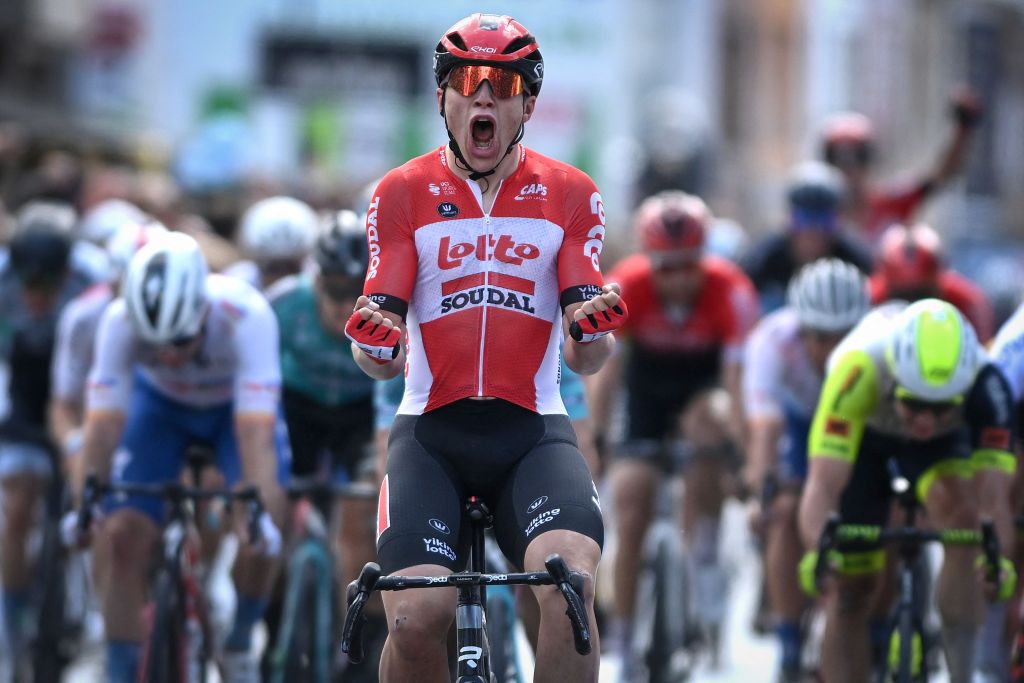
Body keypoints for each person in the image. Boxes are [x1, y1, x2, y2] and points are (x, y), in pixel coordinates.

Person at [343, 13, 624, 683]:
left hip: (530, 432)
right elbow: (375, 339)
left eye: (504, 84)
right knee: (412, 618)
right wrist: (378, 347)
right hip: (430, 434)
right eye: (468, 81)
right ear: (443, 97)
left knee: (570, 588)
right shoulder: (400, 192)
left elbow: (588, 352)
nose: (485, 97)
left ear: (528, 102)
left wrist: (592, 332)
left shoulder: (571, 193)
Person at [73, 233, 287, 683]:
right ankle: (119, 669)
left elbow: (255, 432)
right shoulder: (117, 321)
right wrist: (85, 502)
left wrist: (257, 509)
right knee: (121, 535)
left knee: (262, 520)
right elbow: (103, 424)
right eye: (156, 346)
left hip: (233, 411)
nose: (169, 355)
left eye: (182, 340)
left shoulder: (246, 314)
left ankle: (241, 639)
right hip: (161, 410)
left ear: (203, 310)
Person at [797, 299, 1016, 683]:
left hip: (940, 454)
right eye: (914, 405)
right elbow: (823, 484)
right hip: (865, 443)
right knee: (851, 587)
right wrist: (819, 549)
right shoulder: (857, 367)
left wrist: (996, 560)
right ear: (894, 379)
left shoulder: (988, 384)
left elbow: (994, 499)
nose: (926, 420)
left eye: (942, 408)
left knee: (964, 522)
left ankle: (961, 672)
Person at [588, 189, 760, 667]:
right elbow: (606, 377)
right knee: (631, 497)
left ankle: (702, 553)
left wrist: (742, 454)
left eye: (689, 264)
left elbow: (737, 384)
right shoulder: (626, 287)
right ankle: (622, 633)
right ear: (649, 258)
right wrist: (599, 440)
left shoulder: (731, 290)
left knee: (707, 427)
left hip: (704, 392)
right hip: (647, 394)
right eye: (666, 265)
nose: (679, 278)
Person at [264, 209, 382, 676]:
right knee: (273, 523)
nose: (342, 306)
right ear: (314, 279)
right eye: (333, 291)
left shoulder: (386, 311)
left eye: (355, 293)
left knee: (357, 520)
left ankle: (354, 646)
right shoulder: (282, 306)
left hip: (358, 416)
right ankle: (272, 627)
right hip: (299, 413)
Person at [742, 258, 870, 682]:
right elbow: (765, 429)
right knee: (785, 512)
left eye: (843, 337)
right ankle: (789, 641)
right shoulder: (772, 343)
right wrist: (762, 494)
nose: (831, 350)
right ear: (801, 329)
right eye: (819, 337)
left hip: (862, 424)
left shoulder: (875, 345)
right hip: (799, 425)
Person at [0, 202, 97, 669]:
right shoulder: (3, 285)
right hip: (21, 406)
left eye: (47, 286)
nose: (35, 297)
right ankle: (12, 616)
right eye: (27, 285)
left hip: (77, 404)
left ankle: (78, 603)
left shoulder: (90, 284)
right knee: (16, 508)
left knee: (78, 501)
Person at [49, 218, 168, 467]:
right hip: (103, 422)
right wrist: (76, 447)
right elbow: (64, 404)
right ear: (112, 282)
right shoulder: (84, 316)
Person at [819, 89, 982, 241]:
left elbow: (939, 177)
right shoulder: (815, 219)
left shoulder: (890, 204)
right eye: (838, 161)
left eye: (858, 158)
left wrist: (963, 130)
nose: (849, 171)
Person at [741, 160, 873, 314]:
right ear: (789, 220)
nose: (813, 231)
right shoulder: (761, 262)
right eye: (805, 219)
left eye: (824, 220)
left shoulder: (857, 262)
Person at [869, 222, 995, 342]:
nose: (913, 307)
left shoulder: (967, 301)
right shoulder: (870, 299)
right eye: (904, 296)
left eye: (921, 295)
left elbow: (982, 351)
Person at [226, 195, 318, 291]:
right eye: (272, 268)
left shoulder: (315, 283)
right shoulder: (236, 285)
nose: (281, 281)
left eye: (290, 267)